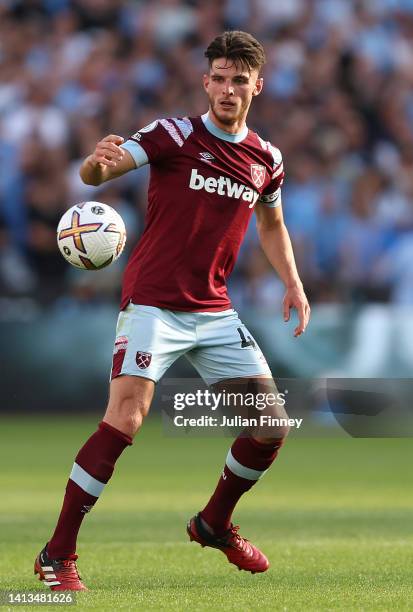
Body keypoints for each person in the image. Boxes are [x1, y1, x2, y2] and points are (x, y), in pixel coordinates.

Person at [34, 30, 310, 591]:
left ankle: (214, 522)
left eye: (239, 80)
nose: (227, 90)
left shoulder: (267, 159)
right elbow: (104, 172)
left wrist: (294, 285)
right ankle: (56, 554)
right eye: (219, 79)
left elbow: (272, 224)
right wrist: (95, 167)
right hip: (153, 304)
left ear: (257, 84)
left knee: (270, 426)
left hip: (213, 309)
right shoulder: (172, 133)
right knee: (127, 417)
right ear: (205, 81)